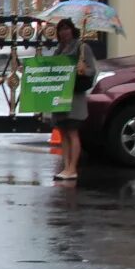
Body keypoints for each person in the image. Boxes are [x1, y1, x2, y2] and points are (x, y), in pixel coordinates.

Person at [50, 18, 98, 182]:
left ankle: (72, 168)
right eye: (61, 29)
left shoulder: (82, 47)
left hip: (74, 98)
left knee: (72, 132)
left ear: (73, 30)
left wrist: (83, 70)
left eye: (67, 29)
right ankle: (66, 166)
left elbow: (92, 70)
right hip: (60, 97)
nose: (64, 32)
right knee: (63, 133)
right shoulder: (59, 50)